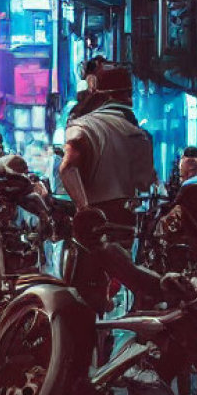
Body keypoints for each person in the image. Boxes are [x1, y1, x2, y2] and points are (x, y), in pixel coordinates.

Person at [59, 57, 155, 313]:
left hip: (92, 229)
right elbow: (145, 182)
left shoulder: (82, 126)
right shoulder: (139, 134)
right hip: (125, 227)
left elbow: (67, 168)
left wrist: (83, 208)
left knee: (83, 300)